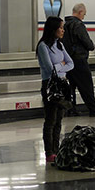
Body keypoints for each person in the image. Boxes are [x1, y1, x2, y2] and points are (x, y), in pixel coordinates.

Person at [37, 16, 74, 165]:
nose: (63, 30)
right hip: (50, 86)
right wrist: (61, 65)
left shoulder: (59, 45)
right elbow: (48, 68)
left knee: (59, 119)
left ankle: (56, 149)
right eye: (60, 27)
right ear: (53, 29)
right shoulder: (43, 46)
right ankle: (49, 152)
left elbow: (71, 63)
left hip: (62, 85)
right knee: (51, 119)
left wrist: (59, 65)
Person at [63, 3, 95, 117]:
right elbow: (86, 41)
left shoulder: (65, 25)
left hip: (68, 60)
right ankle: (94, 110)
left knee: (70, 86)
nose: (84, 16)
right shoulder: (78, 25)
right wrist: (93, 47)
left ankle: (71, 109)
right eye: (84, 14)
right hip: (79, 60)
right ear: (80, 12)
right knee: (86, 86)